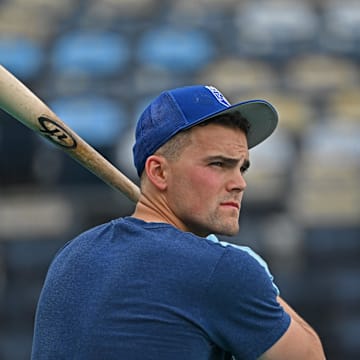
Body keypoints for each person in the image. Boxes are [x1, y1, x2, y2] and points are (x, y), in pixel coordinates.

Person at [31, 85, 326, 359]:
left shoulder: (72, 254)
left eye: (242, 168)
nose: (239, 184)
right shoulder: (221, 269)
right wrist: (266, 291)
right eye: (218, 164)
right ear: (159, 173)